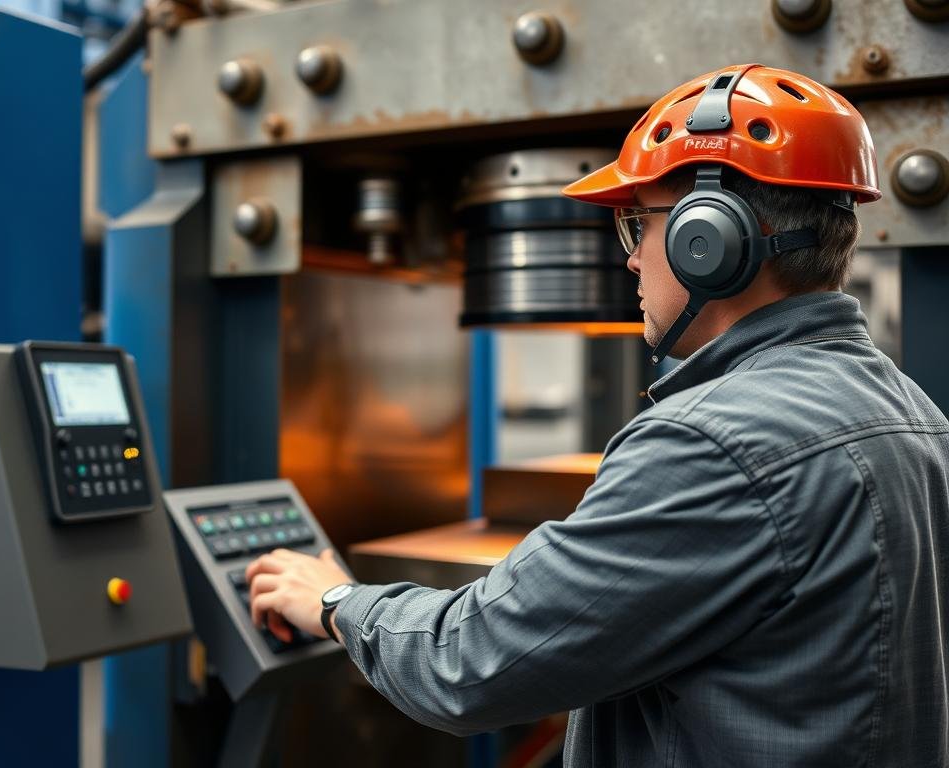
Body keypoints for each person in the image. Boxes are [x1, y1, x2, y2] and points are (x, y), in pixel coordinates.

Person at [244, 64, 949, 767]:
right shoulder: (914, 412)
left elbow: (469, 664)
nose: (634, 260)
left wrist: (334, 598)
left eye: (640, 225)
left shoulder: (710, 442)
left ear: (710, 240)